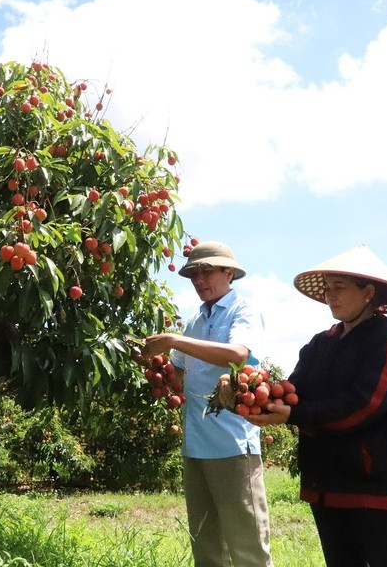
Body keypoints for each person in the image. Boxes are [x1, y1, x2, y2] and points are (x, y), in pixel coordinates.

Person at [245, 244, 387, 567]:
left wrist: (295, 414)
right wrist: (258, 394)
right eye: (327, 288)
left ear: (368, 292)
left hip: (377, 485)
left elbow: (364, 405)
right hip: (328, 482)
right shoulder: (320, 344)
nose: (330, 295)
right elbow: (295, 390)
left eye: (339, 287)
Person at [141, 241, 273, 567]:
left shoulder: (243, 311)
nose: (200, 281)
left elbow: (238, 355)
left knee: (248, 547)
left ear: (229, 272)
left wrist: (171, 340)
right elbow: (178, 378)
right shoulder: (195, 323)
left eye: (207, 272)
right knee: (206, 546)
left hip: (231, 446)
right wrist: (152, 364)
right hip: (195, 445)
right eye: (194, 275)